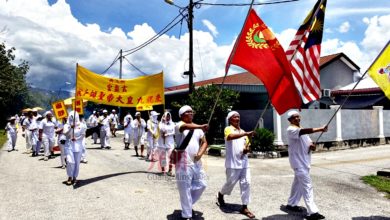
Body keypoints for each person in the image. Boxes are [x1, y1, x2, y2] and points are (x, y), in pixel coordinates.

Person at [285, 110, 328, 220]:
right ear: (289, 120)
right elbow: (303, 131)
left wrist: (312, 147)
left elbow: (308, 144)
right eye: (294, 117)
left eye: (298, 117)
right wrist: (320, 129)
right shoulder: (291, 129)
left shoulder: (301, 130)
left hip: (304, 162)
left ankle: (291, 204)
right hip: (298, 163)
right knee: (307, 186)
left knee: (297, 185)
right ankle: (312, 212)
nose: (297, 119)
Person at [217, 111, 255, 219]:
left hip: (244, 163)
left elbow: (248, 147)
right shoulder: (228, 129)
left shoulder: (243, 132)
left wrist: (247, 149)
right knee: (230, 183)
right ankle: (220, 194)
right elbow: (230, 137)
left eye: (238, 116)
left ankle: (244, 207)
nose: (237, 118)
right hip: (232, 163)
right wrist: (246, 133)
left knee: (246, 183)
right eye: (235, 117)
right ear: (230, 119)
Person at [175, 105, 208, 220]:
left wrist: (200, 154)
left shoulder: (198, 128)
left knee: (202, 184)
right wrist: (201, 126)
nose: (191, 113)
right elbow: (185, 127)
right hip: (183, 162)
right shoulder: (179, 125)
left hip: (196, 162)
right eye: (188, 112)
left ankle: (187, 205)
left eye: (191, 112)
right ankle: (186, 215)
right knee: (185, 189)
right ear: (182, 115)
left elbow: (204, 142)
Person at [63, 112, 86, 185]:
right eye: (71, 116)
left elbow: (83, 135)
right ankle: (69, 176)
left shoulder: (81, 125)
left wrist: (77, 138)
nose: (72, 118)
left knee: (77, 163)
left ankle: (74, 177)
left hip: (78, 146)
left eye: (74, 116)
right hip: (69, 145)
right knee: (70, 161)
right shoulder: (66, 125)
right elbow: (66, 134)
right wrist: (71, 128)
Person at [157, 112, 175, 176]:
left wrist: (168, 134)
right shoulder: (160, 124)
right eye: (166, 116)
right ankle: (163, 170)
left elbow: (174, 132)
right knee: (163, 157)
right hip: (161, 143)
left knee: (171, 157)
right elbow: (161, 129)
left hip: (170, 142)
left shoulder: (172, 124)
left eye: (168, 116)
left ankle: (170, 170)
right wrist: (164, 123)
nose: (167, 117)